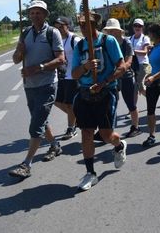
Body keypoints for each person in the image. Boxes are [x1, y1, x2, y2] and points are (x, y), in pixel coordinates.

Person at [8, 0, 65, 179]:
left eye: (38, 12)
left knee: (36, 125)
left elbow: (61, 59)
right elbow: (16, 60)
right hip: (29, 86)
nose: (34, 15)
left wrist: (38, 68)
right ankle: (55, 145)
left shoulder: (52, 33)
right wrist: (19, 52)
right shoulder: (25, 33)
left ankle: (26, 164)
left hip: (47, 84)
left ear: (45, 14)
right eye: (32, 12)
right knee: (39, 119)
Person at [71, 12, 127, 191]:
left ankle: (118, 145)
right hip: (85, 94)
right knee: (86, 132)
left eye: (86, 24)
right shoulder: (79, 47)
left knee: (105, 135)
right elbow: (74, 74)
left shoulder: (107, 41)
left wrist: (104, 82)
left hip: (105, 94)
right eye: (80, 24)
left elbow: (122, 66)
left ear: (94, 25)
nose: (82, 27)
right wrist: (86, 67)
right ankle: (90, 173)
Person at [103, 18, 140, 138]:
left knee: (130, 103)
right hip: (112, 78)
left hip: (126, 76)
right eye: (109, 31)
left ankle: (135, 127)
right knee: (110, 104)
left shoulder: (126, 43)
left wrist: (119, 70)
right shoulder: (107, 43)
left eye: (113, 30)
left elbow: (129, 61)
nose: (110, 33)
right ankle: (109, 130)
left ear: (119, 31)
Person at [54, 16, 80, 140]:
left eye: (61, 26)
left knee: (69, 104)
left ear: (67, 26)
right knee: (56, 101)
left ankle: (71, 128)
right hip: (61, 76)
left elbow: (83, 55)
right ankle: (77, 118)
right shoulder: (56, 40)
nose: (59, 29)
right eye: (57, 27)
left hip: (73, 76)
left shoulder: (74, 39)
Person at [130, 17, 151, 99]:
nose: (137, 28)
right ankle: (151, 99)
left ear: (142, 27)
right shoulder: (130, 38)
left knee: (136, 85)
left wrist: (133, 51)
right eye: (135, 25)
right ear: (133, 27)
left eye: (139, 26)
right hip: (134, 65)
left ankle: (133, 108)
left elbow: (145, 52)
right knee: (140, 88)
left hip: (144, 65)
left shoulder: (145, 38)